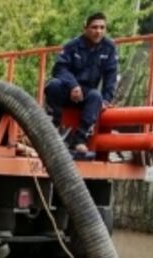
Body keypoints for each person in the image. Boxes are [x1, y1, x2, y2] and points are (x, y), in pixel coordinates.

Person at [44, 12, 118, 153]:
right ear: (85, 28)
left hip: (87, 94)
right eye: (94, 27)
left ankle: (79, 139)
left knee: (96, 96)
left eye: (102, 28)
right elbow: (59, 68)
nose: (98, 31)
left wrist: (107, 99)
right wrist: (73, 85)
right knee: (52, 85)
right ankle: (53, 126)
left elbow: (111, 75)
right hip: (67, 89)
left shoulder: (109, 47)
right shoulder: (72, 45)